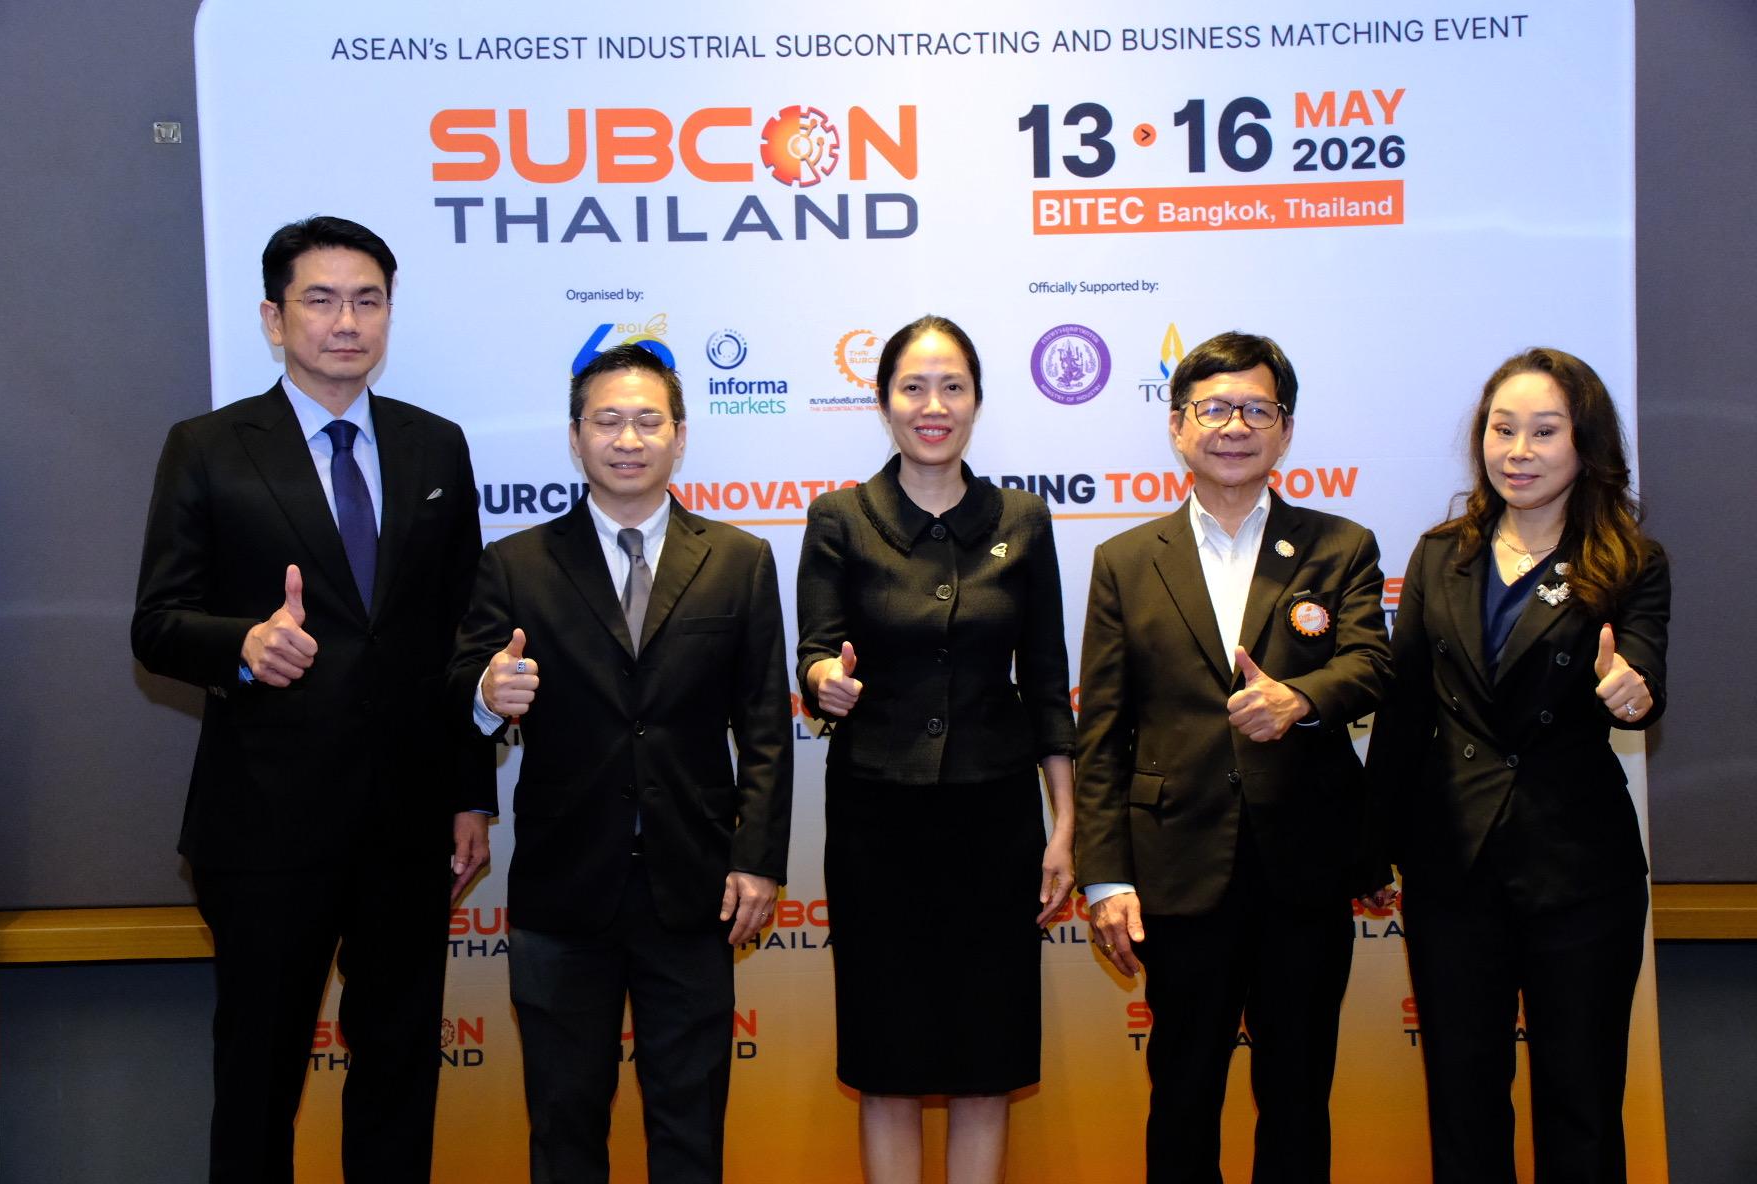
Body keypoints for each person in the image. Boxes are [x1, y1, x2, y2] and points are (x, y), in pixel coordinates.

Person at [131, 216, 489, 1182]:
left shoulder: (435, 447)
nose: (346, 321)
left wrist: (470, 793)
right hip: (263, 826)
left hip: (407, 826)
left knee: (399, 1070)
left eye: (368, 300)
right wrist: (243, 646)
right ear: (273, 317)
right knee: (259, 1076)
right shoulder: (208, 447)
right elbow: (156, 623)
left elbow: (463, 636)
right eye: (321, 300)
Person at [449, 342, 792, 1183]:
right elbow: (461, 693)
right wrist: (488, 694)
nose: (628, 439)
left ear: (681, 436)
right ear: (575, 438)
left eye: (648, 420)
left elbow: (765, 727)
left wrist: (758, 860)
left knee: (690, 1128)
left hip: (695, 887)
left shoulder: (739, 561)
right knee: (565, 1128)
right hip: (564, 890)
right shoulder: (516, 564)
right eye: (607, 421)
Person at [1074, 330, 1393, 1182]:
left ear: (1285, 430)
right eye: (1214, 409)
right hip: (1178, 869)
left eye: (1257, 409)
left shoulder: (1340, 545)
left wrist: (1301, 699)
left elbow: (1371, 664)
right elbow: (1101, 732)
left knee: (1298, 1094)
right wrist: (1104, 878)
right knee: (1182, 1093)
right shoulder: (1125, 562)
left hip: (1303, 867)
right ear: (1178, 425)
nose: (1235, 427)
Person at [1366, 347, 1667, 1183]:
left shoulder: (1629, 561)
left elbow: (1643, 678)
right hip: (1453, 869)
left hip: (1579, 869)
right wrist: (1373, 845)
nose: (1519, 451)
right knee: (1463, 1102)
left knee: (1581, 1103)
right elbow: (1404, 711)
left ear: (1585, 444)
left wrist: (1631, 692)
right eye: (1503, 430)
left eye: (1544, 431)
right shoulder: (1440, 554)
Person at [796, 315, 1077, 1184]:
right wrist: (824, 680)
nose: (933, 405)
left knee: (986, 1060)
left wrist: (1065, 825)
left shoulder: (1023, 519)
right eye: (913, 387)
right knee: (887, 1059)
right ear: (884, 402)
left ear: (977, 402)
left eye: (952, 386)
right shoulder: (841, 518)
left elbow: (1048, 682)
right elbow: (816, 650)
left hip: (996, 818)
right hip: (877, 819)